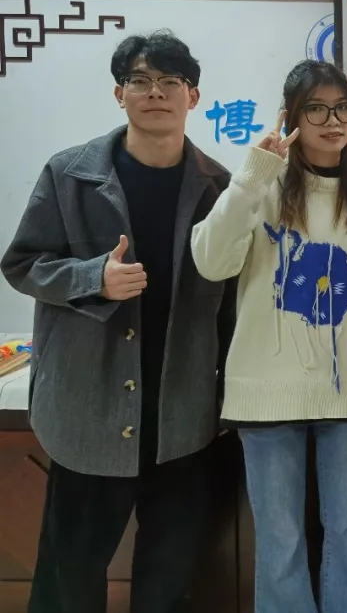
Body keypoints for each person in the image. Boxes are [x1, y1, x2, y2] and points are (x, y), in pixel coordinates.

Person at [1, 31, 234, 613]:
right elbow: (22, 265)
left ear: (192, 96)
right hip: (89, 411)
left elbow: (233, 302)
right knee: (70, 576)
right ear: (119, 93)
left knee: (169, 579)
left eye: (170, 81)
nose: (155, 92)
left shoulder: (219, 188)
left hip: (181, 417)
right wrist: (92, 279)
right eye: (140, 80)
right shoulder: (69, 174)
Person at [191, 60, 347, 613]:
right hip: (266, 391)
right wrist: (251, 176)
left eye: (343, 108)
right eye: (316, 109)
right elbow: (210, 261)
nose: (332, 121)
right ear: (292, 117)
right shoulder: (261, 185)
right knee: (280, 541)